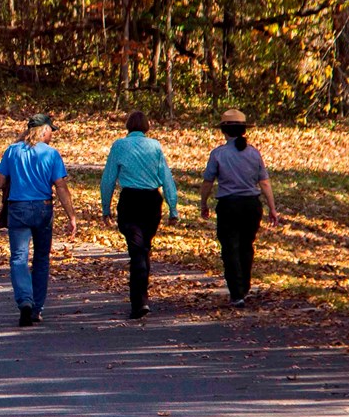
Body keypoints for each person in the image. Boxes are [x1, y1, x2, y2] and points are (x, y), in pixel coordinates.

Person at [0, 113, 77, 327]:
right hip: (43, 208)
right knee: (41, 258)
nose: (52, 135)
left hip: (18, 208)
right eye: (50, 130)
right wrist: (71, 215)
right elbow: (60, 186)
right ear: (42, 130)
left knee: (19, 257)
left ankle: (25, 301)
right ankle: (37, 308)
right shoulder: (51, 154)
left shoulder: (12, 151)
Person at [100, 111, 179, 320]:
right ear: (147, 127)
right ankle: (141, 298)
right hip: (152, 201)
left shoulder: (119, 146)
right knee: (143, 248)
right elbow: (166, 177)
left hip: (131, 201)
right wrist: (173, 207)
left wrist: (105, 208)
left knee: (137, 251)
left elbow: (108, 178)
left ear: (128, 126)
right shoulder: (155, 146)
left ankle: (140, 301)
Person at [199, 109, 280, 308]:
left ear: (223, 131)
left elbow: (208, 181)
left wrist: (204, 203)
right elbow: (265, 182)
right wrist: (272, 208)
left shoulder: (218, 154)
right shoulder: (254, 153)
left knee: (229, 248)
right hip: (252, 205)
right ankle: (244, 285)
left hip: (229, 205)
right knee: (246, 245)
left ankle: (237, 292)